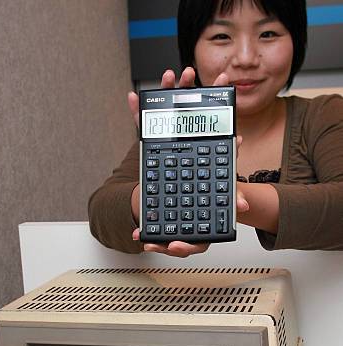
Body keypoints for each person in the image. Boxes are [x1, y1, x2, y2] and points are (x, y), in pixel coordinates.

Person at [88, 0, 343, 256]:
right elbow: (102, 209)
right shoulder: (175, 127)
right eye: (221, 36)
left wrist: (224, 196)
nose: (245, 58)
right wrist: (166, 192)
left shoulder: (322, 115)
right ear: (192, 51)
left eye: (268, 34)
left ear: (296, 41)